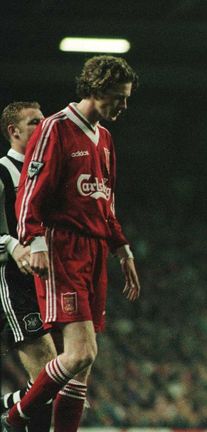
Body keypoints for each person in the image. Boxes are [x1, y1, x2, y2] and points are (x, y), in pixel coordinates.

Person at [2, 55, 141, 432]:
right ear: (96, 89)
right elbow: (28, 193)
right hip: (63, 250)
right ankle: (14, 416)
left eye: (127, 98)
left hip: (96, 252)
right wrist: (34, 240)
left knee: (83, 367)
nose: (123, 105)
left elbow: (105, 200)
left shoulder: (105, 138)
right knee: (81, 352)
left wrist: (122, 248)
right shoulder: (56, 128)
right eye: (119, 96)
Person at [0, 101, 57, 432]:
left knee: (58, 380)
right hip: (13, 282)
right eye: (35, 122)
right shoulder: (3, 172)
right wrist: (11, 244)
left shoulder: (48, 172)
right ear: (14, 131)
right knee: (49, 374)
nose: (44, 126)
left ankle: (8, 409)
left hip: (49, 284)